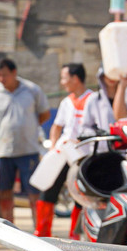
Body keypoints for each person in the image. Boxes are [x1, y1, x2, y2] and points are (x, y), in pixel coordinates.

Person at [0, 57, 50, 226]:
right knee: (3, 192)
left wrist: (28, 127)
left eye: (4, 75)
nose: (1, 79)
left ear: (14, 73)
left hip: (29, 149)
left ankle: (39, 230)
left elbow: (44, 114)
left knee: (34, 192)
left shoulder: (32, 90)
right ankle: (8, 229)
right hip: (3, 150)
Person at [33, 63, 92, 237]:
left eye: (64, 78)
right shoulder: (66, 102)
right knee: (48, 187)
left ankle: (76, 235)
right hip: (64, 150)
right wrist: (53, 147)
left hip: (83, 154)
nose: (62, 82)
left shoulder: (93, 99)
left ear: (75, 78)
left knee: (81, 195)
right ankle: (42, 233)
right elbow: (56, 127)